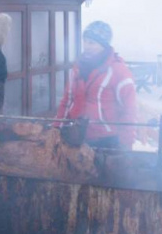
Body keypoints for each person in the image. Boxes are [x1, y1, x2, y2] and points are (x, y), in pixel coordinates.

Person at [55, 21, 137, 150]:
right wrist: (57, 127)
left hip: (107, 139)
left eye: (92, 43)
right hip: (77, 134)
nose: (86, 46)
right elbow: (67, 100)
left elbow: (129, 110)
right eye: (85, 41)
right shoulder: (77, 68)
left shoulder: (119, 72)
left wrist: (126, 143)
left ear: (103, 45)